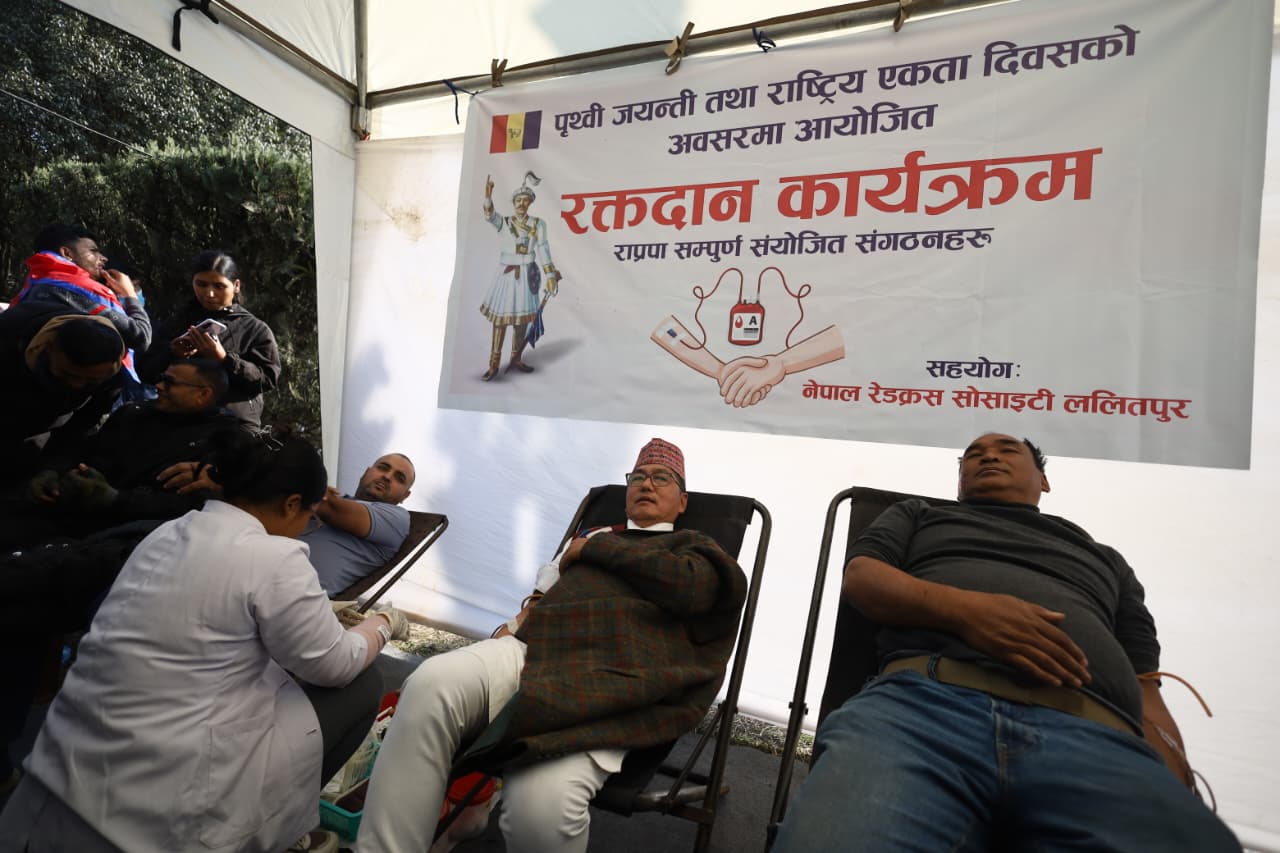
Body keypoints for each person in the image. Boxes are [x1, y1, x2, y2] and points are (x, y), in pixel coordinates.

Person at [771, 432, 1241, 853]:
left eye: (1006, 450)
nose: (988, 456)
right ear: (959, 481)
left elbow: (1146, 686)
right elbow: (863, 577)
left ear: (1044, 480)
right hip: (923, 710)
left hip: (1097, 738)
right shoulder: (920, 514)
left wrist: (1171, 772)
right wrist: (968, 612)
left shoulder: (1105, 559)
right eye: (973, 454)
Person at [0, 430, 411, 853]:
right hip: (155, 816)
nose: (308, 527)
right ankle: (278, 826)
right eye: (310, 517)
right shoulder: (276, 558)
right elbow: (335, 663)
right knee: (362, 683)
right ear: (292, 504)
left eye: (399, 476)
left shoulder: (167, 533)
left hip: (51, 783)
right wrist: (381, 623)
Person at [355, 438, 747, 853]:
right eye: (637, 477)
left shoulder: (690, 547)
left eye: (661, 478)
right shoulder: (590, 536)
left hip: (612, 680)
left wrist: (595, 548)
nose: (646, 484)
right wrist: (513, 627)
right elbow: (539, 599)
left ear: (682, 501)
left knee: (540, 810)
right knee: (431, 682)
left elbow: (695, 589)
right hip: (534, 651)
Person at [139, 249, 281, 428]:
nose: (209, 293)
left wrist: (224, 359)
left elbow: (267, 379)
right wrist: (172, 353)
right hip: (176, 423)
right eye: (202, 284)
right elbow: (146, 371)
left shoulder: (254, 330)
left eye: (219, 286)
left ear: (236, 286)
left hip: (231, 428)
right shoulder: (177, 322)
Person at [0, 305, 126, 484]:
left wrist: (51, 469)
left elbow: (79, 428)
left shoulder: (112, 378)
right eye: (68, 374)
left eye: (91, 381)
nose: (77, 385)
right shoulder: (9, 333)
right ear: (49, 347)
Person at [12, 224, 152, 358]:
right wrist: (130, 294)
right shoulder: (77, 291)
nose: (103, 258)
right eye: (93, 251)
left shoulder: (34, 288)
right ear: (67, 253)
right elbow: (140, 337)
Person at [478, 171, 561, 380]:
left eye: (525, 200)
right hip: (506, 275)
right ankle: (494, 364)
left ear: (530, 203)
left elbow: (543, 248)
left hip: (527, 275)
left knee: (521, 321)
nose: (521, 203)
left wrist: (550, 274)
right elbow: (489, 216)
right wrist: (488, 197)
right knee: (500, 320)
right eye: (518, 200)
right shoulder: (504, 222)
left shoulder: (538, 224)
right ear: (513, 202)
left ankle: (516, 358)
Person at [303, 452, 416, 596]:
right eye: (383, 468)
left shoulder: (398, 518)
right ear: (366, 473)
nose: (387, 476)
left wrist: (316, 492)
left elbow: (332, 509)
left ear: (405, 495)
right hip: (278, 562)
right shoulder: (338, 497)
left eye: (399, 478)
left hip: (298, 592)